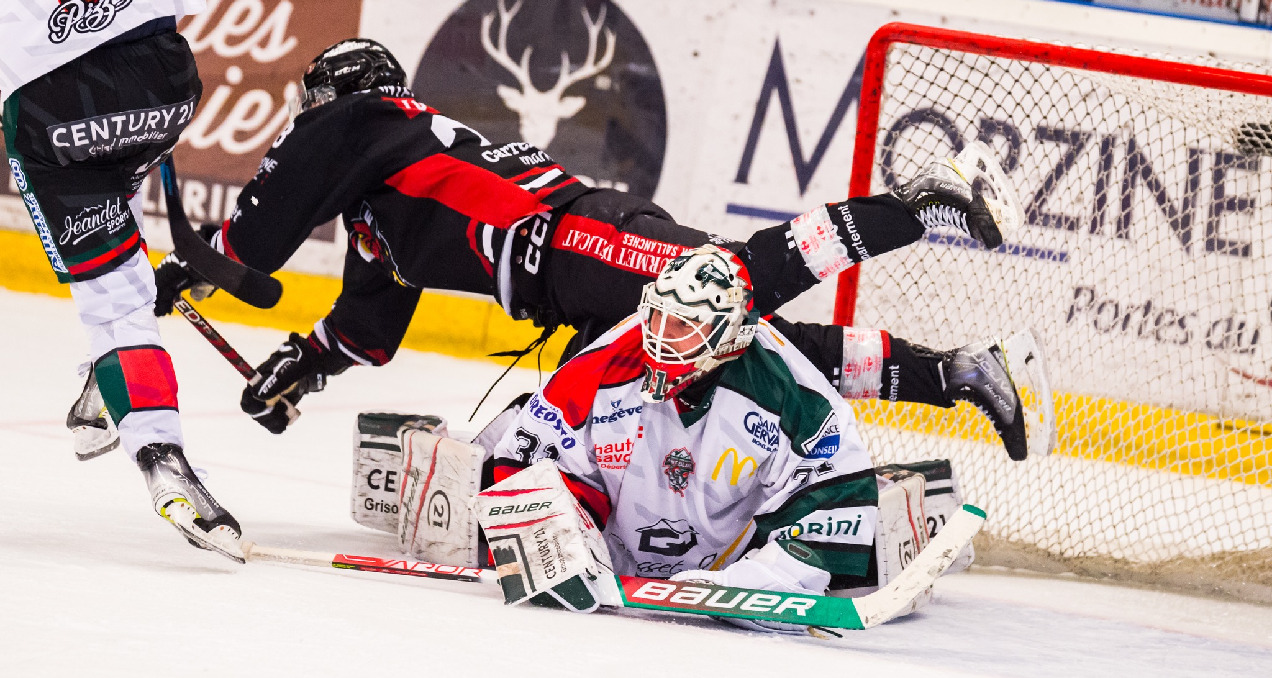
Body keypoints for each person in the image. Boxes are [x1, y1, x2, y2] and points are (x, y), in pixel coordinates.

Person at [151, 38, 1033, 460]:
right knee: (756, 343)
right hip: (571, 290)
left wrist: (198, 259)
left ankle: (920, 204)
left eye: (318, 109)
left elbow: (258, 231)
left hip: (578, 243)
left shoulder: (373, 120)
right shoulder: (389, 199)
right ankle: (954, 373)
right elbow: (368, 326)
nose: (313, 125)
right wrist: (301, 365)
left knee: (737, 283)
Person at [472, 245, 969, 632]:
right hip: (619, 554)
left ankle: (920, 499)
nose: (662, 338)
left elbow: (831, 491)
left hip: (739, 556)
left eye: (685, 328)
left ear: (730, 334)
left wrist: (755, 580)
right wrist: (558, 543)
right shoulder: (601, 367)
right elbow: (532, 454)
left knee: (863, 556)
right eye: (658, 317)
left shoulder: (787, 389)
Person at [2, 1, 242, 562]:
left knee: (112, 300)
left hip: (55, 109)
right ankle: (102, 378)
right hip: (167, 88)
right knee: (113, 223)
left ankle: (161, 453)